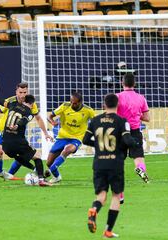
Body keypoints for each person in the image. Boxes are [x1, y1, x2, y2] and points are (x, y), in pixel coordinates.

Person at [83, 93, 138, 238]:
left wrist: (99, 146)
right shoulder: (121, 121)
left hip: (99, 162)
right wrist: (135, 143)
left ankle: (94, 209)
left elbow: (85, 139)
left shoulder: (94, 120)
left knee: (101, 195)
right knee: (116, 195)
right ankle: (108, 230)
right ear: (117, 105)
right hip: (115, 163)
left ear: (104, 105)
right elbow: (127, 139)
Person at [0, 83, 53, 179]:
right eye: (20, 92)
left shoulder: (29, 104)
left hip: (17, 134)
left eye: (25, 92)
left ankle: (11, 174)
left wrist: (46, 133)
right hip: (3, 131)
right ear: (16, 92)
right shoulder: (12, 101)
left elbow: (38, 118)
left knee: (18, 154)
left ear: (27, 92)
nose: (22, 95)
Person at [46, 92, 95, 183]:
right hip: (62, 136)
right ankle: (57, 177)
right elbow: (50, 116)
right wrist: (52, 122)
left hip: (77, 138)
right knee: (49, 162)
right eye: (71, 102)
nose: (72, 104)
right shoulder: (65, 106)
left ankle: (51, 169)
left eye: (75, 103)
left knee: (67, 149)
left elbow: (96, 121)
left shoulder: (88, 110)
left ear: (81, 102)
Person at [116, 73, 150, 183]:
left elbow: (110, 114)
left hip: (121, 131)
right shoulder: (141, 98)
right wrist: (136, 114)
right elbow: (147, 118)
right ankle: (141, 169)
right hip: (135, 131)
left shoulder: (117, 97)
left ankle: (116, 176)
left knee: (119, 157)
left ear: (122, 83)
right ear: (134, 84)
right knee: (138, 156)